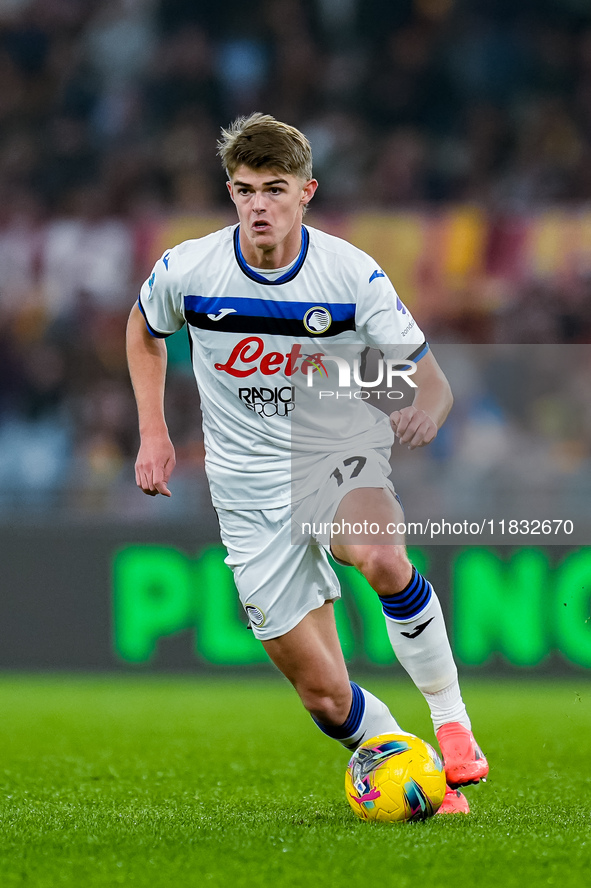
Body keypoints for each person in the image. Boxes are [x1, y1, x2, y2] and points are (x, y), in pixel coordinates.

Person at [126, 113, 488, 815]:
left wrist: (422, 410)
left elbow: (428, 380)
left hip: (332, 459)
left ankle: (451, 724)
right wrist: (153, 433)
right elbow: (142, 330)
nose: (257, 205)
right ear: (229, 194)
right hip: (243, 490)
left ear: (306, 192)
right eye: (243, 190)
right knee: (323, 698)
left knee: (380, 557)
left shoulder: (349, 274)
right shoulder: (190, 268)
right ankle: (418, 776)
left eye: (273, 189)